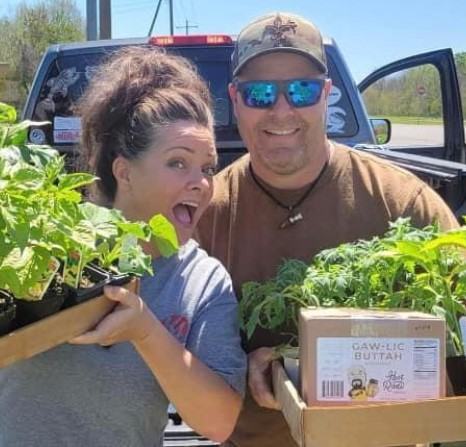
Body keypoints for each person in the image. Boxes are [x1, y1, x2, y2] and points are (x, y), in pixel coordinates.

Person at [196, 12, 459, 447]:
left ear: (326, 96)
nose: (281, 110)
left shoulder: (404, 204)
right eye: (259, 93)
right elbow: (177, 350)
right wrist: (240, 369)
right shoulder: (208, 213)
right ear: (235, 100)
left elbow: (457, 337)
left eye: (301, 90)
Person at [0, 47, 246, 446]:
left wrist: (146, 332)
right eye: (178, 162)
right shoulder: (47, 242)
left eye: (207, 168)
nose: (201, 182)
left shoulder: (200, 280)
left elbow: (218, 422)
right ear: (124, 171)